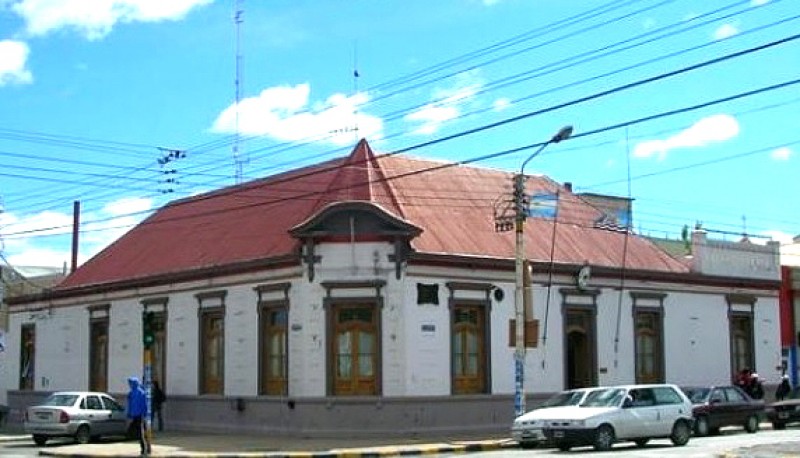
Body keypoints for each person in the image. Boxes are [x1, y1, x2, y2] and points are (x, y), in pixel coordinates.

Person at [127, 376, 151, 456]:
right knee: (142, 432)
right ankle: (147, 447)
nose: (129, 385)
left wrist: (144, 413)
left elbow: (143, 405)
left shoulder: (139, 393)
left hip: (139, 415)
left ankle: (144, 448)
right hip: (137, 415)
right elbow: (130, 404)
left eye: (130, 383)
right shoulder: (134, 393)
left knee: (141, 433)